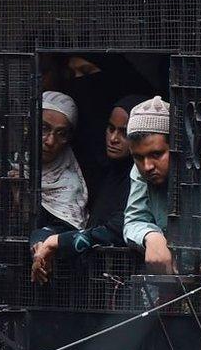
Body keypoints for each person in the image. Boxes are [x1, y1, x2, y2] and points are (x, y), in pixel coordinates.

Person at [31, 95, 146, 283]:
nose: (114, 139)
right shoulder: (101, 174)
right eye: (111, 129)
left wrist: (61, 242)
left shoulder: (139, 179)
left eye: (124, 133)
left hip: (123, 281)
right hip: (92, 279)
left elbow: (119, 227)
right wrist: (41, 244)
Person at [29, 91, 89, 253]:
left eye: (61, 134)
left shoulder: (69, 184)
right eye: (43, 128)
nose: (50, 141)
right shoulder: (12, 165)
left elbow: (69, 232)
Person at [122, 95, 173, 274]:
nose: (147, 166)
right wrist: (150, 236)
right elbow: (134, 220)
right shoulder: (140, 171)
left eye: (157, 154)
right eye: (138, 157)